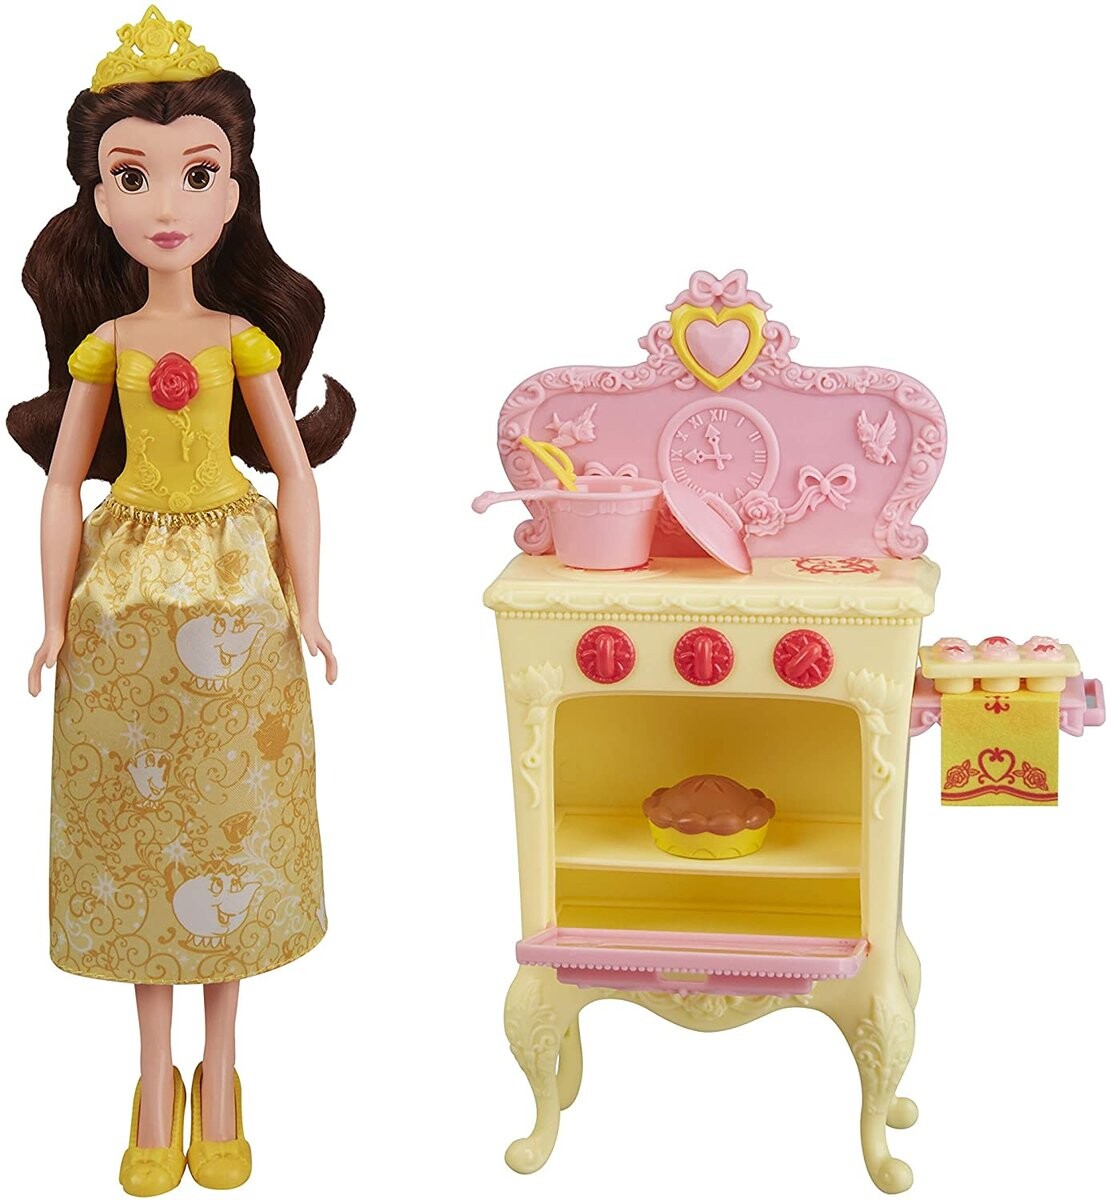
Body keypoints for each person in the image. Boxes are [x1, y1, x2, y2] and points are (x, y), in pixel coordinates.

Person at [6, 7, 354, 1193]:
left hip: (238, 600)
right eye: (133, 175)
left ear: (233, 192)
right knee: (142, 838)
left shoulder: (242, 340)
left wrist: (310, 606)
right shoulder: (104, 344)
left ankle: (224, 1067)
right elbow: (63, 483)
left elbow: (293, 473)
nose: (168, 202)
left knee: (228, 827)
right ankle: (154, 1079)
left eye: (197, 173)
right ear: (99, 199)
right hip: (123, 610)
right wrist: (53, 620)